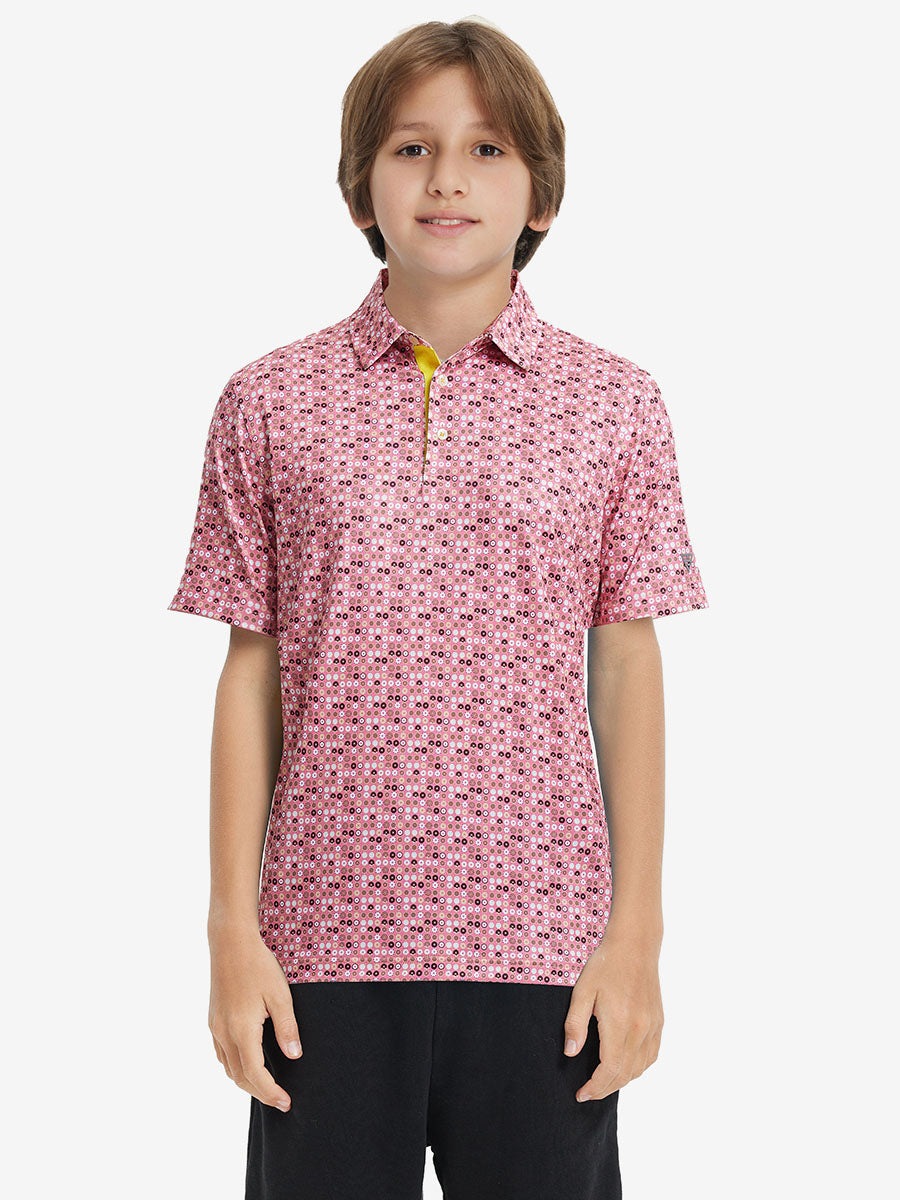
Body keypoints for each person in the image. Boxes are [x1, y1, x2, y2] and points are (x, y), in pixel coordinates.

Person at [168, 17, 709, 1200]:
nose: (447, 179)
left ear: (542, 192)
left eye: (487, 149)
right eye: (412, 149)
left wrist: (636, 936)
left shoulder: (616, 406)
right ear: (360, 186)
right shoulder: (268, 401)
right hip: (319, 949)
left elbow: (627, 666)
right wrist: (230, 932)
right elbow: (250, 671)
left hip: (545, 954)